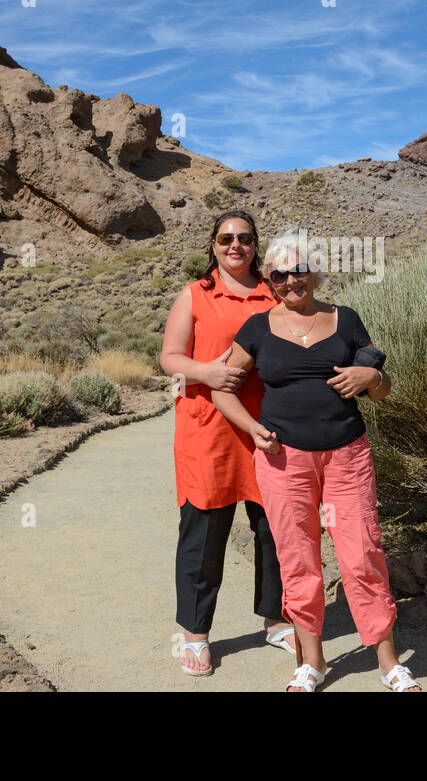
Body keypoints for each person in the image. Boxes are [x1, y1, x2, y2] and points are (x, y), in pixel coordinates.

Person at [212, 228, 421, 692]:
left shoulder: (345, 320)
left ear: (316, 274)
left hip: (347, 456)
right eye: (281, 274)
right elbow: (221, 386)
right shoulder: (257, 328)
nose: (291, 280)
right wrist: (251, 428)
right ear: (270, 279)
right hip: (284, 461)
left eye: (300, 270)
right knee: (298, 559)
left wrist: (372, 375)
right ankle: (313, 663)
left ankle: (388, 663)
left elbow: (381, 392)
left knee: (362, 555)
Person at [160, 210, 296, 676]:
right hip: (208, 430)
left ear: (256, 245)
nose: (235, 245)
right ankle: (196, 635)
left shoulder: (273, 293)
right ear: (213, 245)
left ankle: (277, 620)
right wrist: (208, 373)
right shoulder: (196, 295)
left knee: (274, 528)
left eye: (244, 238)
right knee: (203, 533)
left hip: (268, 428)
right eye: (225, 238)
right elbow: (170, 358)